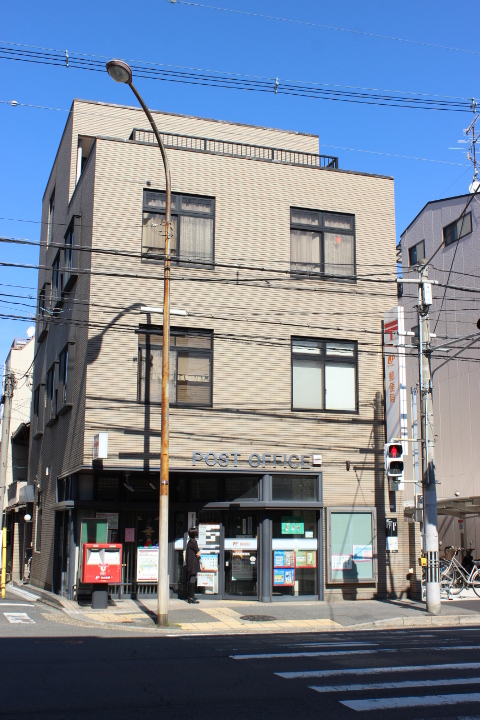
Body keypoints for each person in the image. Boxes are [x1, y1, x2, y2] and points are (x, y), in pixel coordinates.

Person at [186, 527, 201, 604]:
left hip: (190, 564)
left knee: (191, 579)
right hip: (193, 564)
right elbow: (198, 552)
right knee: (192, 579)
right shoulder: (193, 542)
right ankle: (191, 597)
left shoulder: (190, 542)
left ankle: (190, 596)